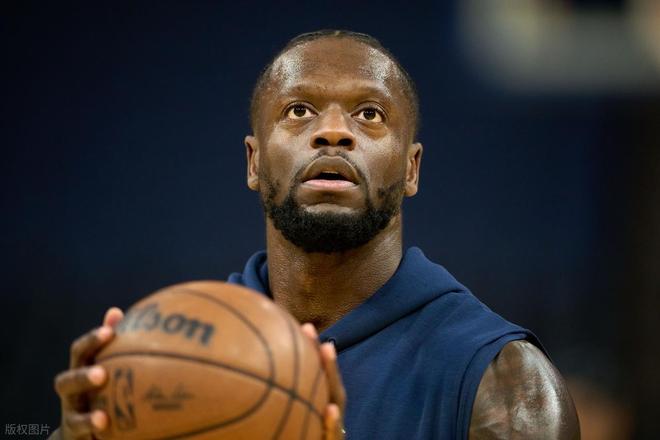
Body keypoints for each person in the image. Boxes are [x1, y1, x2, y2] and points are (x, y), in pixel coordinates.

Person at [52, 30, 580, 439]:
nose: (333, 131)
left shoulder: (505, 384)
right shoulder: (164, 355)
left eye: (369, 114)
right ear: (254, 161)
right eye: (298, 111)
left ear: (411, 169)